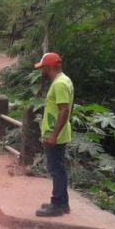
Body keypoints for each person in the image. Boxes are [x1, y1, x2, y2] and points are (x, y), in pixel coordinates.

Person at [34, 52, 74, 217]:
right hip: (58, 132)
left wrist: (53, 134)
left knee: (55, 169)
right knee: (58, 168)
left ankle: (57, 204)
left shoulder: (59, 84)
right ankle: (62, 203)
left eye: (43, 68)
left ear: (49, 68)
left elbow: (64, 110)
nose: (42, 71)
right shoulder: (65, 80)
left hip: (55, 134)